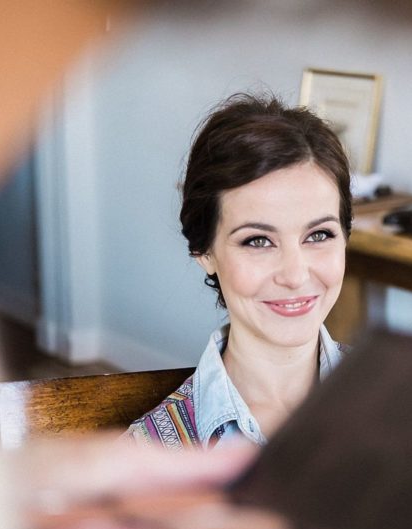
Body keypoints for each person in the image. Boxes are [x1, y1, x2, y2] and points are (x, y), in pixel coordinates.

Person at [126, 93, 352, 449]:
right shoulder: (151, 451)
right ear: (204, 251)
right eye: (258, 241)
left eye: (319, 235)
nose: (294, 275)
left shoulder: (411, 406)